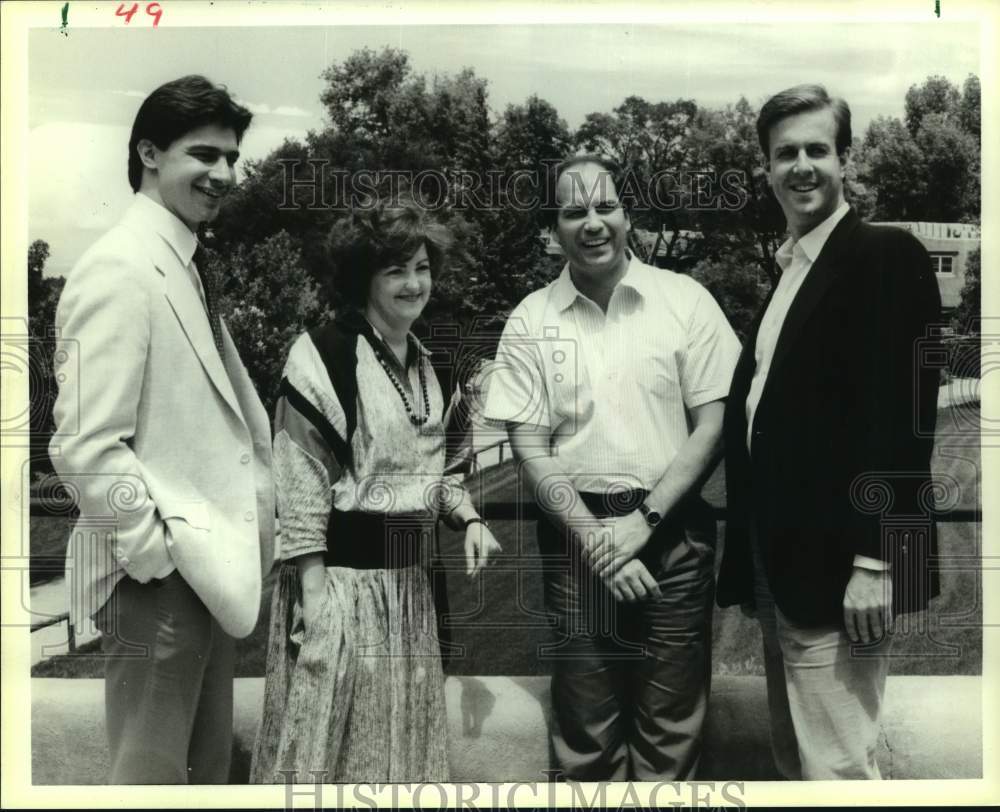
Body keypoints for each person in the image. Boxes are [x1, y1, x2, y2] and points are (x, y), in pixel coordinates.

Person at [483, 156, 741, 780]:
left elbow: (714, 425)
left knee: (670, 738)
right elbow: (531, 447)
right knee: (586, 740)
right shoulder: (530, 320)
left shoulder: (685, 300)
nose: (593, 223)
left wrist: (645, 522)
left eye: (605, 207)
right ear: (553, 228)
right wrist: (602, 544)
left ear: (628, 215)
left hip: (674, 534)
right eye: (574, 211)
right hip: (578, 544)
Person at [49, 75, 275, 783]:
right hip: (157, 583)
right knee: (148, 783)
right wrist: (154, 556)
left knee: (201, 778)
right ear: (148, 152)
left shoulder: (183, 263)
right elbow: (84, 444)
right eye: (203, 154)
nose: (223, 174)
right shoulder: (121, 267)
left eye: (232, 158)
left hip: (201, 579)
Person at [716, 84, 942, 780]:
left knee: (838, 770)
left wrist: (877, 562)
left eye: (818, 149)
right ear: (767, 169)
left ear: (846, 159)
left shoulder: (884, 256)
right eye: (786, 154)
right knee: (797, 763)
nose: (802, 166)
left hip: (844, 568)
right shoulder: (790, 270)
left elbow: (905, 424)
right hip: (781, 560)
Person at [249, 188, 500, 783]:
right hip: (340, 587)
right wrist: (315, 606)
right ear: (364, 277)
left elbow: (433, 477)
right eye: (396, 270)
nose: (414, 284)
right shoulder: (323, 355)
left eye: (421, 268)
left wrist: (469, 518)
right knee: (327, 760)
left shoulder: (426, 363)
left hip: (410, 591)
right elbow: (303, 486)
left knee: (401, 759)